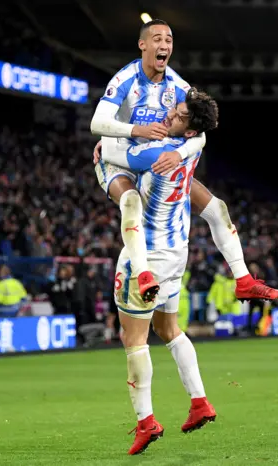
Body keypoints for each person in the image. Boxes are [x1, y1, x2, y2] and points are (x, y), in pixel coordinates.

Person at [91, 19, 278, 305]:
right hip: (117, 157)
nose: (164, 45)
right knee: (131, 202)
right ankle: (143, 272)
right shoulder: (125, 80)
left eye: (169, 40)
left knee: (217, 207)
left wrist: (177, 154)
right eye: (157, 39)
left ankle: (244, 280)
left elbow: (201, 135)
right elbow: (97, 122)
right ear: (142, 44)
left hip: (156, 159)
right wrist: (134, 131)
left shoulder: (178, 86)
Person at [112, 90, 219, 455]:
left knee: (134, 339)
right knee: (168, 329)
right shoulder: (193, 147)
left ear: (189, 130)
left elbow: (112, 154)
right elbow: (199, 136)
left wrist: (102, 151)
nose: (171, 111)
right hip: (177, 253)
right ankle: (200, 401)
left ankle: (146, 421)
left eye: (180, 112)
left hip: (148, 255)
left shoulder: (157, 154)